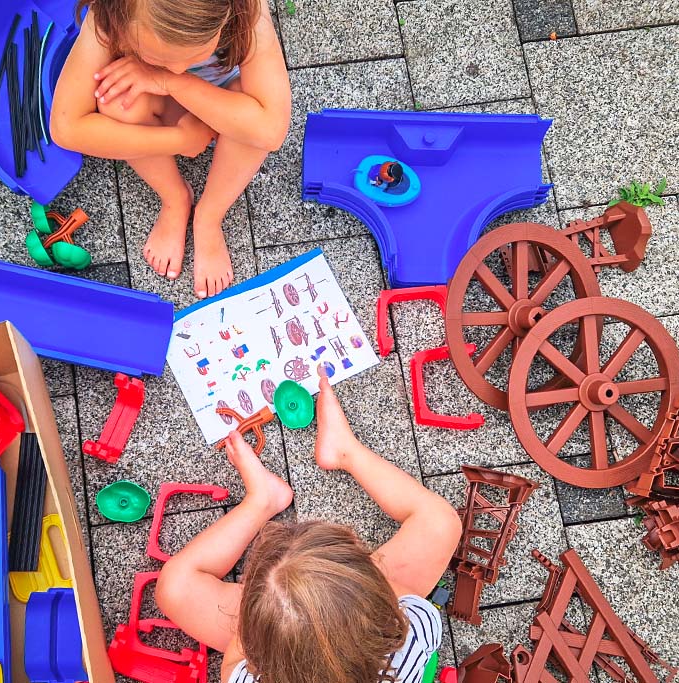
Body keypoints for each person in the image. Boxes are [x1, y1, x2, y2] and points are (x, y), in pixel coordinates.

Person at [154, 369, 463, 683]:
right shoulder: (415, 627)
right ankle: (345, 451)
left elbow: (235, 663)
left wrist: (260, 629)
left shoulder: (250, 667)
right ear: (374, 589)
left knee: (174, 587)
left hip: (297, 636)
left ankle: (262, 500)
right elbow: (398, 600)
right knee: (440, 523)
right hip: (382, 649)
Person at [50, 0, 291, 299]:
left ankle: (209, 216)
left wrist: (167, 79)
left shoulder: (248, 11)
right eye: (155, 57)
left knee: (254, 122)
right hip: (169, 111)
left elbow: (272, 131)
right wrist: (180, 140)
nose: (179, 67)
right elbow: (66, 128)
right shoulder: (110, 14)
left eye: (197, 52)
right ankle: (175, 198)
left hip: (226, 103)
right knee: (117, 97)